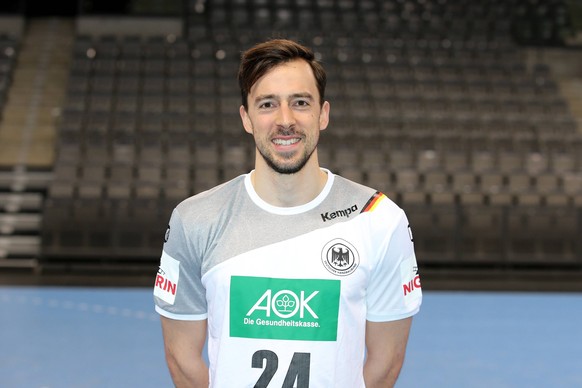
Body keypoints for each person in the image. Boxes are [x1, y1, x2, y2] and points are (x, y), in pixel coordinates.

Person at [154, 38, 422, 387]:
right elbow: (181, 357)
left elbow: (386, 362)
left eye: (300, 102)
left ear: (323, 114)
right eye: (267, 104)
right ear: (246, 118)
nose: (285, 120)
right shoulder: (195, 219)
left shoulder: (380, 219)